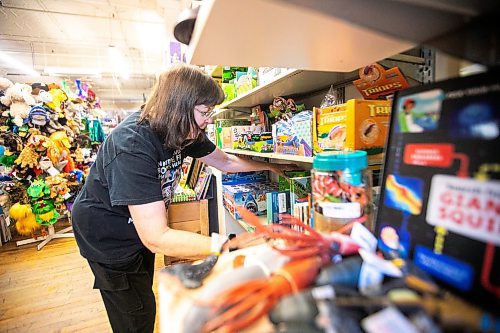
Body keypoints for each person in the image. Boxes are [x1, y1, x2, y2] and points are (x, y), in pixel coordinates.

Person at [71, 64, 296, 332]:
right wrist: (228, 245)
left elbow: (225, 162)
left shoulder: (184, 131)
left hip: (137, 229)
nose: (208, 120)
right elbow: (156, 237)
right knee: (135, 313)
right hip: (108, 235)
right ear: (178, 105)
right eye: (204, 112)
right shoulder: (132, 145)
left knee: (143, 290)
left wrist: (271, 166)